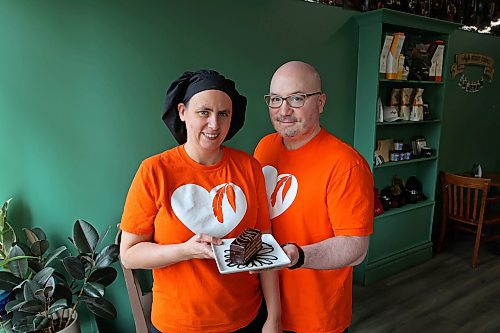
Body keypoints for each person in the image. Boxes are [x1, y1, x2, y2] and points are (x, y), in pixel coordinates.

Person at [120, 69, 281, 333]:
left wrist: (274, 317)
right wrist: (186, 250)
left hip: (245, 318)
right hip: (178, 323)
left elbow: (264, 240)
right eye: (204, 112)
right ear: (182, 112)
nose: (214, 125)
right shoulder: (155, 171)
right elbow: (129, 255)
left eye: (223, 114)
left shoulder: (249, 167)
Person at [254, 61, 374, 333]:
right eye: (275, 99)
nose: (284, 110)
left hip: (315, 317)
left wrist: (298, 255)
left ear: (320, 102)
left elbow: (356, 248)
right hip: (263, 306)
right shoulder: (264, 147)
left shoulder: (345, 164)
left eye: (296, 98)